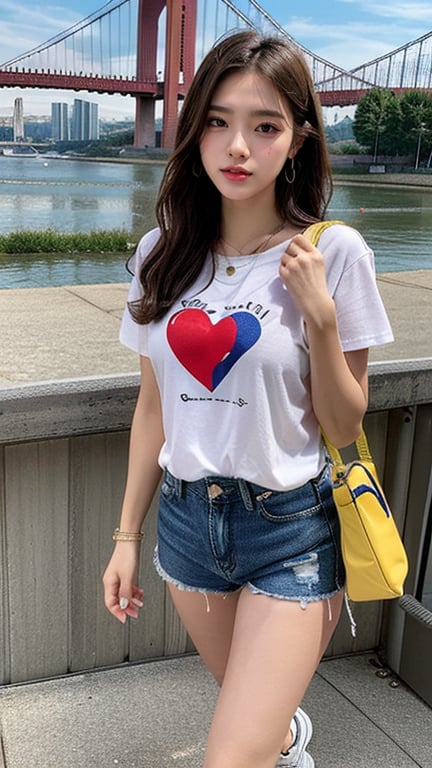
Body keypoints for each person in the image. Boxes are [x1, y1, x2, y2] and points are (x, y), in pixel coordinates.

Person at [103, 30, 393, 768]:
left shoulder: (335, 253)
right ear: (195, 128)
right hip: (187, 524)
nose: (238, 147)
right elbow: (152, 409)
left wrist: (322, 321)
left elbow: (345, 420)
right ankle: (291, 742)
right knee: (254, 719)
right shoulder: (159, 255)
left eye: (264, 126)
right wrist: (127, 537)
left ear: (297, 140)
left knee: (229, 756)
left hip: (289, 530)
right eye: (218, 122)